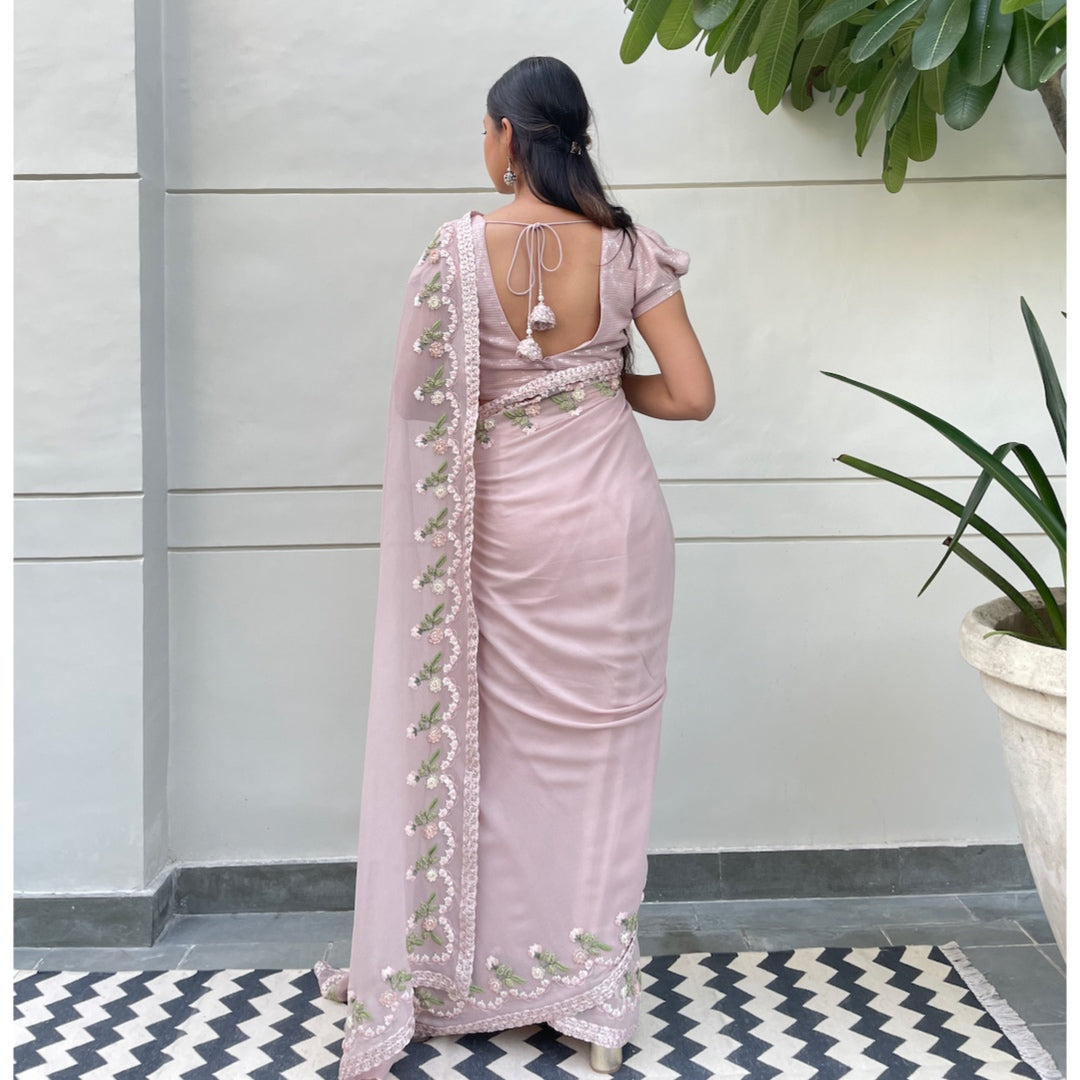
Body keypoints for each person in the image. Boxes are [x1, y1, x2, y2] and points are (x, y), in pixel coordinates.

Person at [315, 55, 714, 1079]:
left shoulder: (454, 253)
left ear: (504, 134)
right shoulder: (628, 249)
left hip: (502, 539)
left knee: (487, 759)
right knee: (605, 763)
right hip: (616, 531)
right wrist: (598, 382)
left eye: (483, 131)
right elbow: (692, 395)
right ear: (575, 136)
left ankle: (469, 968)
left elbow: (417, 409)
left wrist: (508, 400)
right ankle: (593, 999)